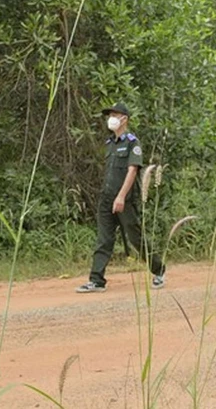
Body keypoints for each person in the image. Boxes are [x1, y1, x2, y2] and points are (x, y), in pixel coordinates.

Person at [77, 102, 166, 293]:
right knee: (104, 239)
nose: (111, 118)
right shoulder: (109, 144)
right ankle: (96, 280)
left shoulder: (133, 142)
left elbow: (132, 171)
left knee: (135, 238)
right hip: (106, 198)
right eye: (110, 115)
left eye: (115, 115)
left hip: (125, 199)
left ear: (124, 119)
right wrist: (110, 196)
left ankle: (159, 270)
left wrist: (121, 197)